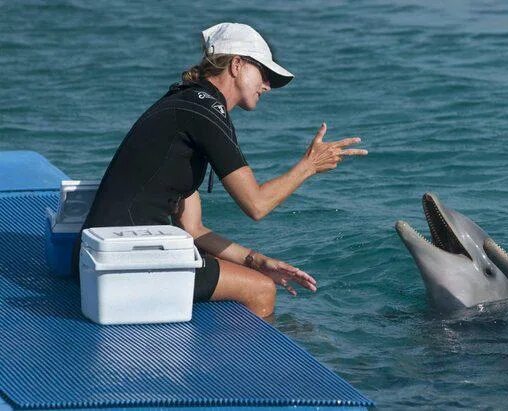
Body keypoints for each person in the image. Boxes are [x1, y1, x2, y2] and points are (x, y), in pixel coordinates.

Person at [75, 22, 367, 317]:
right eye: (264, 74)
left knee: (251, 275)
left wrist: (256, 260)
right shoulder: (206, 113)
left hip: (102, 255)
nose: (267, 86)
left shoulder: (188, 101)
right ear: (237, 65)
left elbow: (193, 229)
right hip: (123, 262)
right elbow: (257, 204)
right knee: (261, 289)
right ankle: (253, 363)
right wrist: (309, 166)